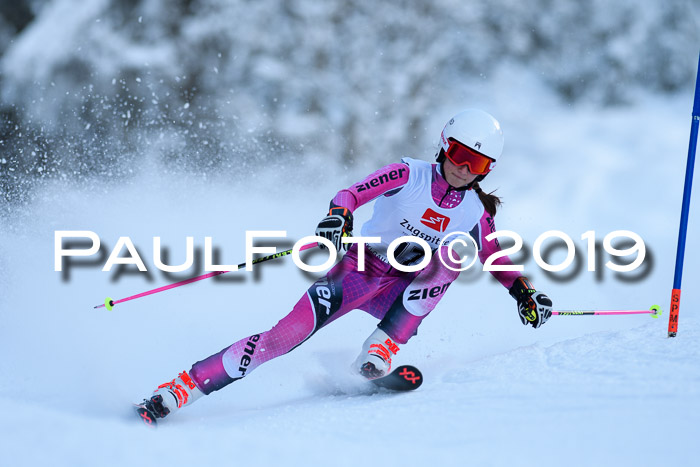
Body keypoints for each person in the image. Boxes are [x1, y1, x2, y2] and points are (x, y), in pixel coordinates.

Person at [136, 109, 553, 423]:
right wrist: (339, 216)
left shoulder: (476, 212)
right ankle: (179, 390)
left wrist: (524, 293)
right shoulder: (409, 174)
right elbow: (350, 193)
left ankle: (380, 350)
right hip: (356, 272)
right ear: (445, 145)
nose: (463, 168)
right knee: (283, 337)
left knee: (453, 256)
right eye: (460, 154)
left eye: (476, 164)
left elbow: (494, 256)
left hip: (401, 292)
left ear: (487, 170)